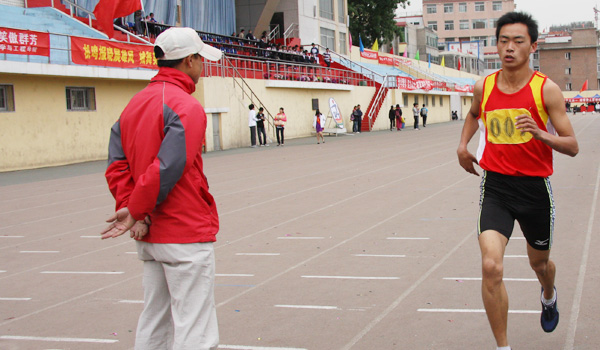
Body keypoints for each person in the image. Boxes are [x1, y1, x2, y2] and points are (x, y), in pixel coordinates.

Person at [456, 12, 578, 350]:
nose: (509, 48)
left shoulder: (547, 90)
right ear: (496, 45)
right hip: (496, 187)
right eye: (503, 41)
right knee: (491, 265)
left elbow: (572, 145)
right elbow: (473, 113)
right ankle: (503, 347)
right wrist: (463, 146)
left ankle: (549, 294)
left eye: (518, 41)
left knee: (539, 264)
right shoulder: (485, 85)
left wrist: (540, 134)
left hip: (535, 189)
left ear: (533, 46)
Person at [101, 27, 223, 350]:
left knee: (155, 321)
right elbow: (168, 167)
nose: (203, 67)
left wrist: (134, 211)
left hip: (151, 234)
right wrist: (136, 210)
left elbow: (117, 165)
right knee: (195, 328)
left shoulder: (133, 105)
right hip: (184, 232)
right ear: (190, 61)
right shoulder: (187, 106)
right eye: (200, 60)